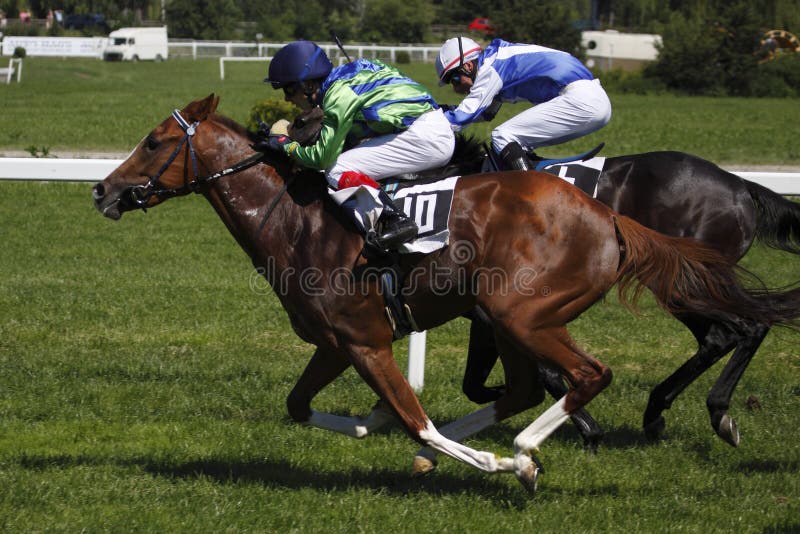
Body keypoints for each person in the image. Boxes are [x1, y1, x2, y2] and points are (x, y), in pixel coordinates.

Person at [258, 40, 455, 251]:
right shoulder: (352, 73)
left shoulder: (338, 94)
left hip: (426, 137)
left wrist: (286, 146)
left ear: (307, 85)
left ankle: (396, 220)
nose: (287, 99)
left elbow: (322, 158)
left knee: (337, 168)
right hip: (430, 128)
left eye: (289, 90)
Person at [435, 36, 611, 171]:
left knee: (503, 136)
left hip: (582, 100)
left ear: (468, 66)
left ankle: (529, 193)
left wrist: (424, 122)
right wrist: (439, 109)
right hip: (592, 100)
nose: (456, 88)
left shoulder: (490, 68)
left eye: (455, 79)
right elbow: (485, 113)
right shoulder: (496, 63)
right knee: (516, 143)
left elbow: (460, 120)